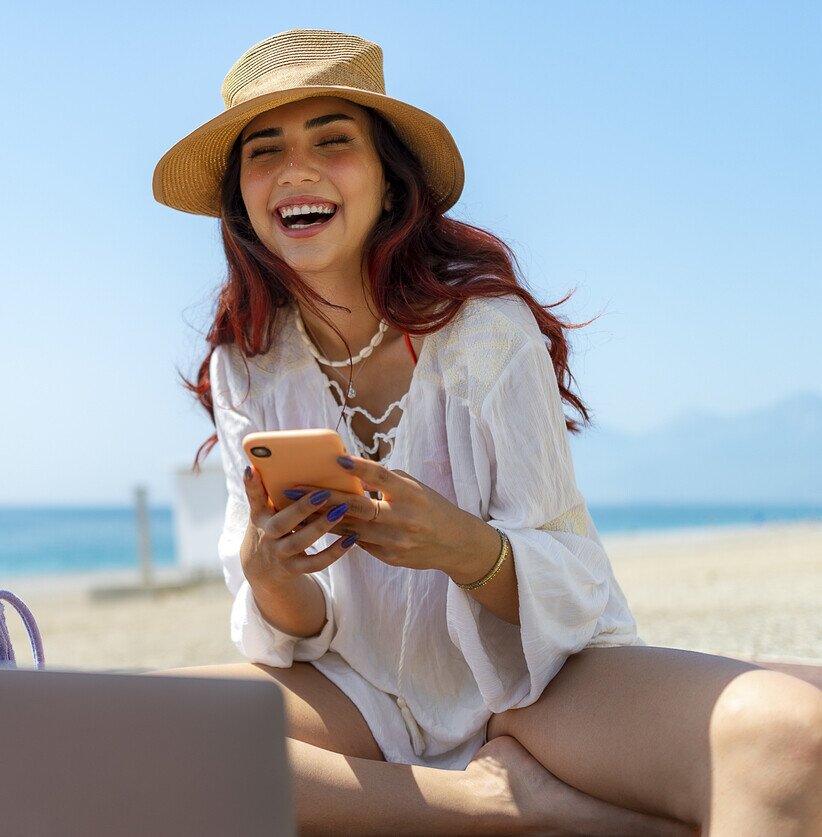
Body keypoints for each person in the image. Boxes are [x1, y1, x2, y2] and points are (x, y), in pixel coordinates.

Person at [151, 29, 822, 836]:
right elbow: (297, 630)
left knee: (789, 734)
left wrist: (460, 544)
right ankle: (490, 804)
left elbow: (573, 590)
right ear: (243, 202)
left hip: (535, 687)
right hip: (360, 692)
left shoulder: (487, 334)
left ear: (391, 184)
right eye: (265, 151)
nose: (296, 169)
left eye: (334, 140)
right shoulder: (248, 364)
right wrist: (268, 570)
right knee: (127, 728)